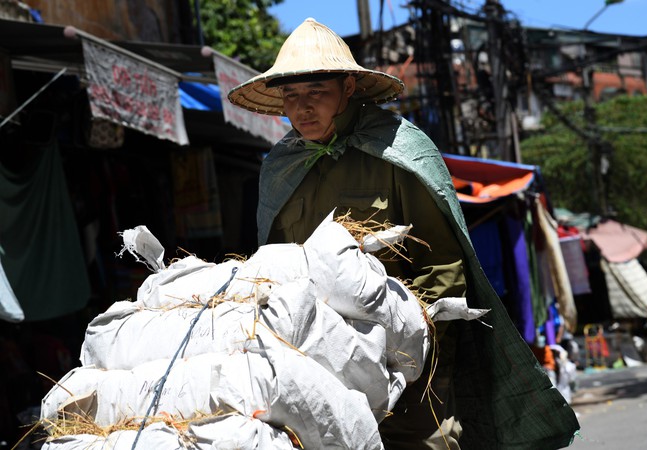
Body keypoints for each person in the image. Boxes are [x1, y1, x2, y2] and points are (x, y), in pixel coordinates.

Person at [228, 18, 579, 450]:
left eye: (316, 92)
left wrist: (413, 353)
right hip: (316, 362)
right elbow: (274, 264)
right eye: (292, 96)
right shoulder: (281, 166)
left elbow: (443, 265)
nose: (302, 108)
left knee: (423, 443)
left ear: (349, 87)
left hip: (405, 358)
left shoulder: (398, 149)